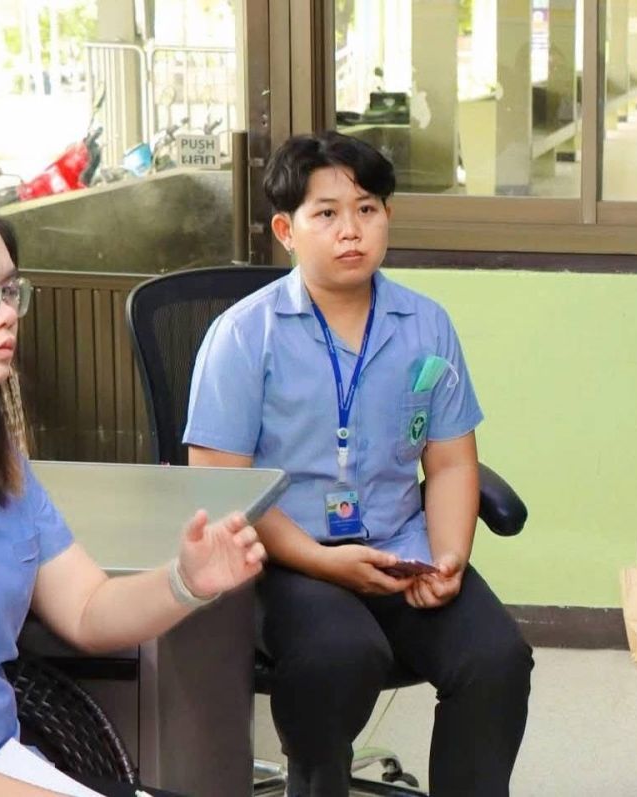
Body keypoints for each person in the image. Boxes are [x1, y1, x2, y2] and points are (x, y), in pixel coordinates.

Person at [184, 131, 533, 797]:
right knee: (342, 653)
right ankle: (315, 781)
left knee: (497, 659)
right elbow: (223, 485)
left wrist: (447, 559)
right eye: (326, 213)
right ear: (286, 230)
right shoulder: (245, 335)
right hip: (284, 561)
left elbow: (452, 464)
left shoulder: (426, 325)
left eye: (367, 209)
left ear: (387, 217)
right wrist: (323, 563)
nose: (351, 230)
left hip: (402, 551)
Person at [0, 216, 267, 796]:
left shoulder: (7, 470)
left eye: (8, 289)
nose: (7, 313)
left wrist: (184, 583)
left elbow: (86, 609)